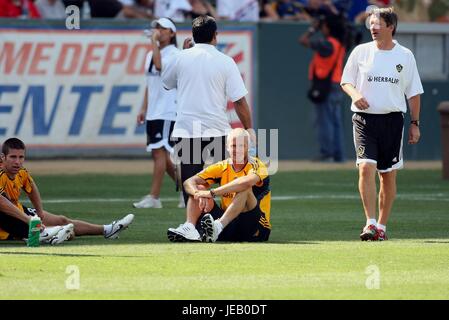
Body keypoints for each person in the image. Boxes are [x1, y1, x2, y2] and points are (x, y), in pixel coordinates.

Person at [340, 7, 423, 241]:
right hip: (364, 120)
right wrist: (355, 95)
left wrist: (415, 123)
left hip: (392, 121)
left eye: (378, 24)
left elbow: (414, 93)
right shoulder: (360, 52)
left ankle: (382, 228)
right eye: (371, 23)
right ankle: (370, 223)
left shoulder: (405, 56)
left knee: (387, 175)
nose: (373, 28)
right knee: (366, 167)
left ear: (391, 27)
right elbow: (346, 81)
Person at [162, 15, 253, 205]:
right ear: (215, 35)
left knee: (191, 183)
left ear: (193, 36)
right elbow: (239, 101)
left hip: (186, 130)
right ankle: (222, 224)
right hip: (217, 130)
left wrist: (183, 54)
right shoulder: (226, 61)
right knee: (226, 183)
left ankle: (192, 226)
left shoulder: (180, 57)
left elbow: (167, 84)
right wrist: (249, 128)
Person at [0, 138, 134, 243]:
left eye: (21, 157)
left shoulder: (21, 172)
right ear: (3, 157)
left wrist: (39, 211)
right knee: (68, 233)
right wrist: (28, 219)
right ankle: (49, 236)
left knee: (63, 221)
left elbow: (31, 187)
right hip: (5, 220)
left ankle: (108, 230)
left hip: (17, 211)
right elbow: (2, 203)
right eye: (13, 157)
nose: (17, 162)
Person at [167, 128, 271, 242]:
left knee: (245, 189)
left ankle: (218, 226)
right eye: (233, 146)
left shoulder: (257, 164)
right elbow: (188, 182)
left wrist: (212, 193)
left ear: (248, 147)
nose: (237, 150)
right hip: (230, 224)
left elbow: (246, 182)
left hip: (255, 228)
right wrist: (198, 193)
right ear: (227, 147)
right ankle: (190, 227)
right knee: (199, 187)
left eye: (242, 146)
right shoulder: (222, 166)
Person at [133, 17, 184, 209]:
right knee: (163, 157)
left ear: (172, 33)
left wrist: (153, 42)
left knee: (159, 153)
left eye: (163, 28)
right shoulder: (150, 54)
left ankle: (154, 197)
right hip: (154, 111)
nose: (158, 31)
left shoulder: (174, 54)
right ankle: (188, 190)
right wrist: (144, 107)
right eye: (156, 28)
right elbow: (150, 84)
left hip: (168, 109)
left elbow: (160, 66)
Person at [299, 13, 346, 162]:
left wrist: (313, 29)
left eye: (324, 26)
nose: (322, 28)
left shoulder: (328, 44)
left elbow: (303, 40)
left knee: (324, 121)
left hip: (326, 86)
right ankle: (338, 155)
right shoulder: (339, 43)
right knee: (335, 122)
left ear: (328, 28)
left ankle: (327, 153)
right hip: (337, 85)